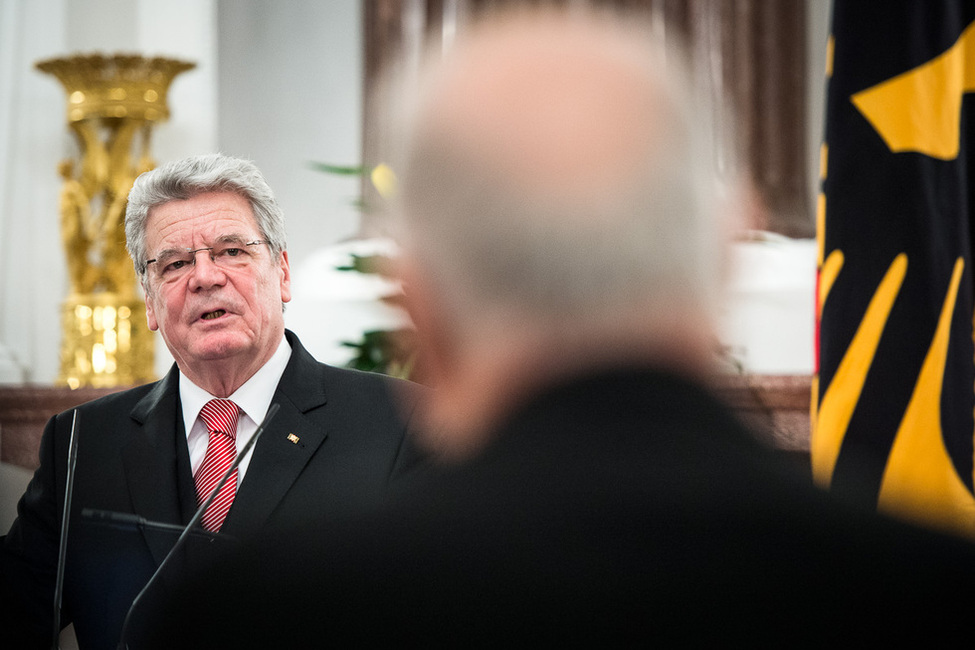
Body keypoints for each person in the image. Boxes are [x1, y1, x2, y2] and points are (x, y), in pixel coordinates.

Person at [149, 9, 975, 646]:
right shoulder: (930, 592)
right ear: (724, 259)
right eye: (176, 264)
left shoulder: (253, 622)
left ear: (417, 304)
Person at [0, 153, 427, 649]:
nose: (205, 277)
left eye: (231, 251)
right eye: (176, 263)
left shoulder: (401, 421)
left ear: (282, 272)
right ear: (150, 302)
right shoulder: (81, 443)